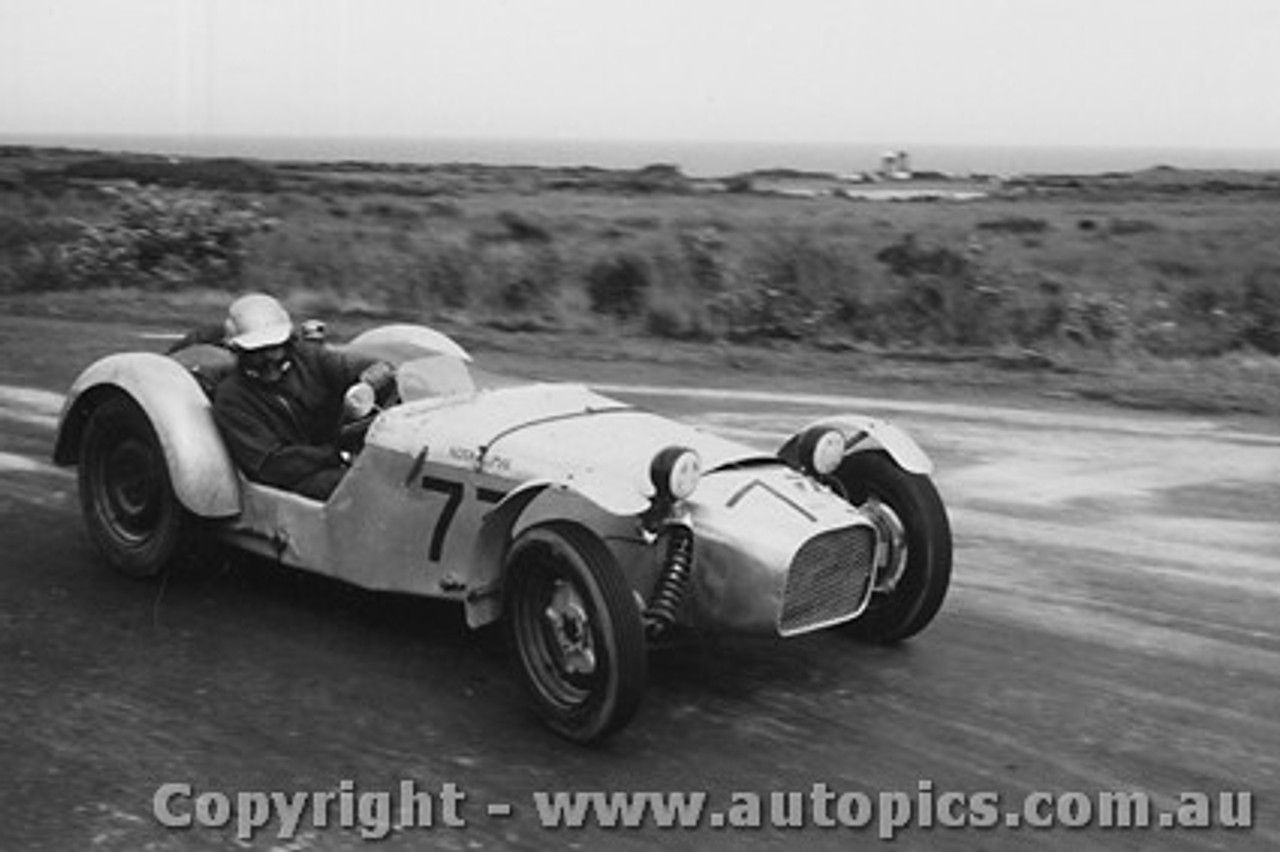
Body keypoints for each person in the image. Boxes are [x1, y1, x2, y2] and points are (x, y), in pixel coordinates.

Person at [212, 293, 394, 501]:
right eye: (256, 352)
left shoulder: (310, 357)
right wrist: (336, 454)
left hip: (340, 458)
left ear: (287, 343)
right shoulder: (231, 398)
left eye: (273, 348)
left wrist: (372, 375)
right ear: (237, 351)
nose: (268, 359)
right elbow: (269, 465)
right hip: (295, 480)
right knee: (370, 490)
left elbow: (354, 368)